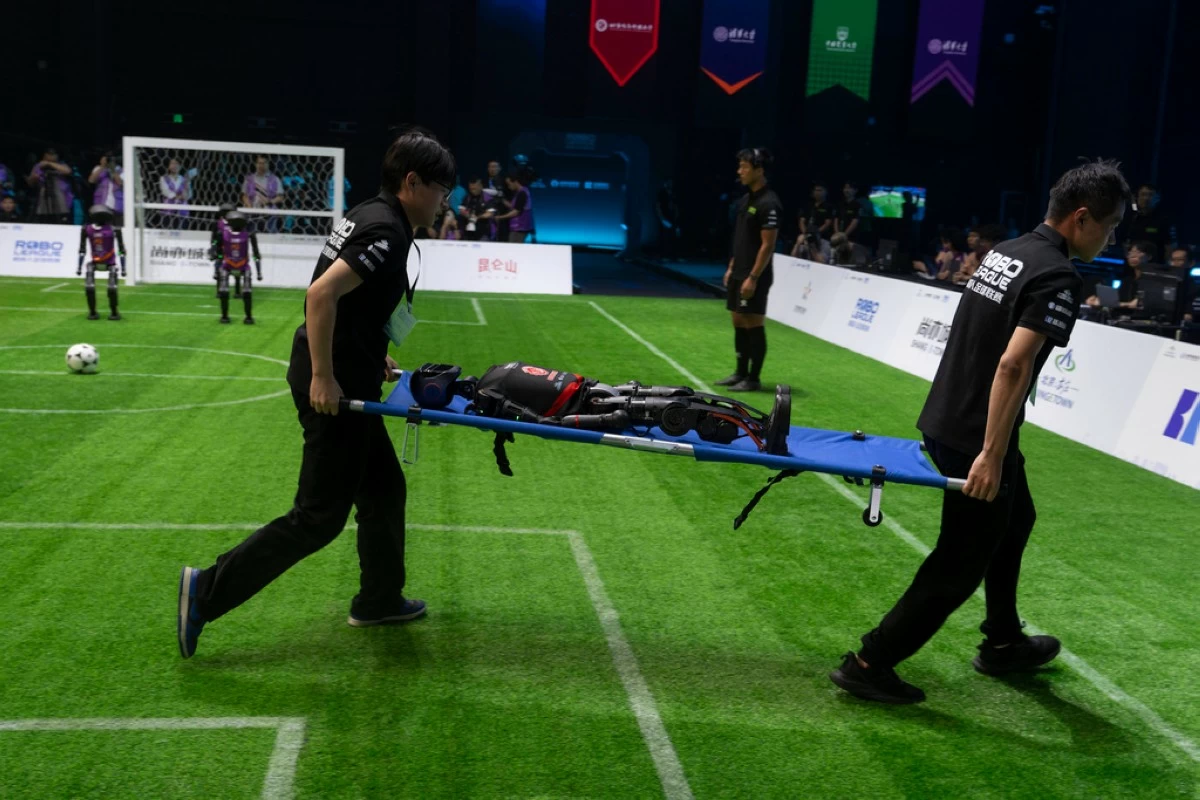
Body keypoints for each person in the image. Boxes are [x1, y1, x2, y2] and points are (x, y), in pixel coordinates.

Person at [830, 159, 1130, 704]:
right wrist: (990, 453)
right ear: (1081, 219)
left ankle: (1003, 641)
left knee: (1016, 519)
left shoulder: (1008, 252)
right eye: (1109, 227)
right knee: (960, 560)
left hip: (949, 417)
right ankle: (870, 661)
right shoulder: (1058, 275)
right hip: (976, 436)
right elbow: (1012, 366)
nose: (1109, 238)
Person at [176, 130, 456, 659]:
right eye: (442, 189)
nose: (446, 201)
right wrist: (325, 375)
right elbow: (321, 293)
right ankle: (206, 591)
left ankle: (379, 599)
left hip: (348, 375)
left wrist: (373, 354)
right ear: (413, 182)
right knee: (317, 517)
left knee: (383, 490)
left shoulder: (373, 214)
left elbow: (351, 304)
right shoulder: (386, 232)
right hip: (333, 390)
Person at [716, 147, 781, 393]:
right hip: (739, 271)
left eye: (745, 167)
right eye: (740, 166)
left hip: (755, 275)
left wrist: (753, 277)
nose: (739, 171)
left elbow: (768, 245)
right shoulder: (746, 200)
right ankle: (739, 372)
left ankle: (753, 378)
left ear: (759, 170)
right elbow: (741, 239)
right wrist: (732, 267)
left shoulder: (769, 203)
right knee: (737, 320)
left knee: (753, 323)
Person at [77, 204, 126, 320]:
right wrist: (79, 266)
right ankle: (92, 312)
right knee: (89, 286)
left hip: (110, 261)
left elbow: (121, 250)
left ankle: (114, 312)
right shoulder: (87, 229)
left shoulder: (114, 230)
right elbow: (82, 249)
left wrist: (123, 267)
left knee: (112, 288)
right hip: (94, 261)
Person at [213, 210, 263, 324]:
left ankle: (248, 316)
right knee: (224, 290)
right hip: (227, 264)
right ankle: (225, 315)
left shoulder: (249, 234)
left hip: (243, 265)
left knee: (247, 291)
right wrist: (217, 264)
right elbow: (219, 252)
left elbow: (256, 254)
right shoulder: (223, 234)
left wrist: (259, 271)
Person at [27, 147, 74, 224]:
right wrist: (34, 178)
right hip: (44, 198)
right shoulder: (38, 166)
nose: (51, 156)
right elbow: (30, 183)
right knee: (44, 221)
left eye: (53, 154)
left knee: (61, 221)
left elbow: (68, 171)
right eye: (48, 154)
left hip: (61, 199)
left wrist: (49, 164)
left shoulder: (62, 164)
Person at [242, 155, 285, 232]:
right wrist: (249, 207)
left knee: (269, 232)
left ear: (268, 164)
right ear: (255, 164)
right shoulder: (249, 179)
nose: (261, 165)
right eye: (259, 163)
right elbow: (244, 196)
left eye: (264, 163)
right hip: (252, 211)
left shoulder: (275, 179)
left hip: (269, 211)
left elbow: (280, 197)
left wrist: (270, 201)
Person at [496, 172, 533, 243]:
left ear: (515, 182)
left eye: (509, 184)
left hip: (520, 228)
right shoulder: (519, 192)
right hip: (517, 227)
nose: (508, 187)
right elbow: (512, 206)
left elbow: (516, 212)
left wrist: (499, 217)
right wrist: (501, 199)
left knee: (513, 250)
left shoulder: (522, 193)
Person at [159, 157, 189, 228]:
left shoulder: (184, 179)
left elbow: (187, 194)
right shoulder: (163, 178)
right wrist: (178, 196)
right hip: (168, 210)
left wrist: (185, 195)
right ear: (169, 166)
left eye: (176, 164)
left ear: (180, 166)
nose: (174, 166)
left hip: (182, 210)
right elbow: (165, 191)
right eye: (172, 163)